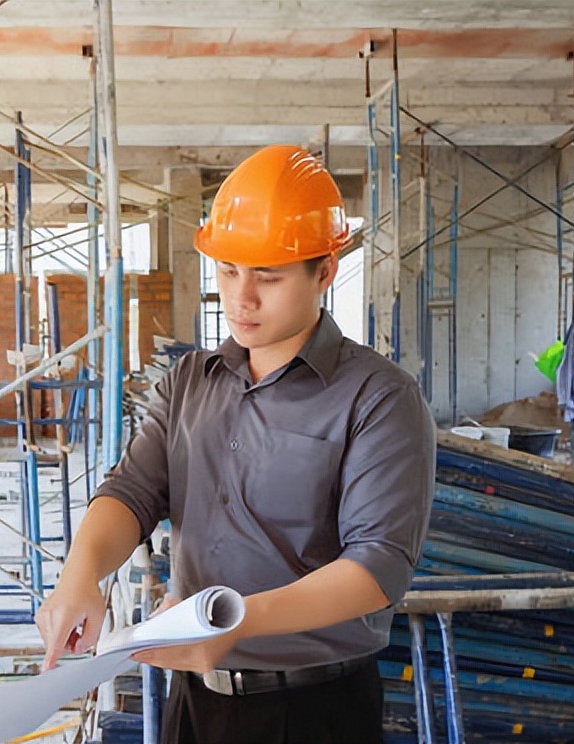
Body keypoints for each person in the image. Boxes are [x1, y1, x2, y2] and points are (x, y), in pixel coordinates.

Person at [35, 145, 435, 744]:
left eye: (268, 277)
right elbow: (132, 492)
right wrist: (80, 573)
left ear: (324, 270)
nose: (241, 298)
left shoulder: (377, 398)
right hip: (195, 702)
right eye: (227, 270)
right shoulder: (188, 383)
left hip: (313, 709)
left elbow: (377, 567)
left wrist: (236, 621)